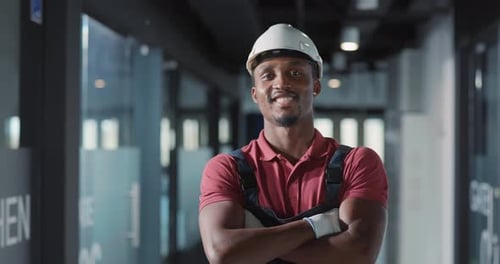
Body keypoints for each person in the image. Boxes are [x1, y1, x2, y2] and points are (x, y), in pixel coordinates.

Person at [198, 23, 388, 264]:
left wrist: (254, 241)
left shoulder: (358, 163)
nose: (281, 83)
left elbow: (358, 254)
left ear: (316, 86)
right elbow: (222, 253)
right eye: (268, 75)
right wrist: (319, 225)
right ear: (255, 93)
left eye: (295, 73)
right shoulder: (226, 169)